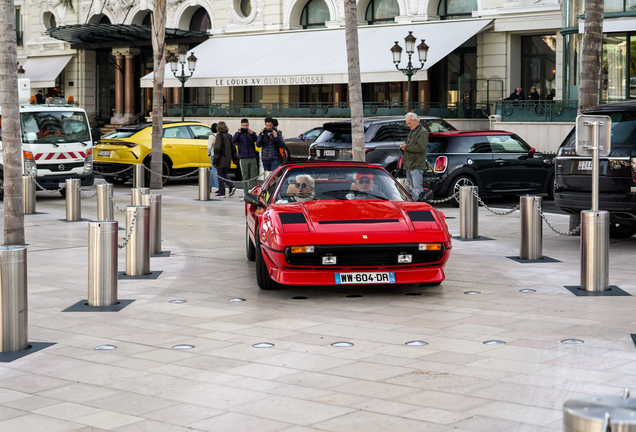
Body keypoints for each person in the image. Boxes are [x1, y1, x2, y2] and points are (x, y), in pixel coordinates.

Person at [399, 112, 428, 201]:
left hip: (416, 164)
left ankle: (417, 204)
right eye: (407, 123)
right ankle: (413, 202)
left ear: (415, 121)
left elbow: (421, 148)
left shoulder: (422, 132)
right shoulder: (412, 131)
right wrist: (404, 147)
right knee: (411, 188)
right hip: (409, 164)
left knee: (417, 188)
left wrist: (406, 147)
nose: (408, 125)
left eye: (409, 123)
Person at [232, 118, 259, 195]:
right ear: (241, 125)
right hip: (243, 157)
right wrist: (238, 132)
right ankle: (245, 193)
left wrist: (252, 133)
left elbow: (257, 140)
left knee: (254, 176)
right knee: (245, 177)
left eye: (246, 125)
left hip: (252, 156)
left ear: (248, 125)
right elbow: (233, 140)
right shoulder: (238, 134)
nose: (245, 127)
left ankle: (254, 193)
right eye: (243, 125)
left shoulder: (251, 133)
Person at [213, 121, 235, 198]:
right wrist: (234, 159)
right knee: (224, 174)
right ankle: (231, 186)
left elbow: (217, 149)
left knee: (220, 175)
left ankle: (222, 192)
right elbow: (233, 148)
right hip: (228, 158)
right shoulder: (229, 136)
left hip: (221, 159)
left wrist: (215, 160)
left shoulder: (219, 136)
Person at [207, 123, 219, 194]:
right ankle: (212, 185)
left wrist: (208, 153)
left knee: (213, 170)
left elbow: (209, 146)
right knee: (215, 170)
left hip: (213, 154)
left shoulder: (211, 136)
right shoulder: (219, 135)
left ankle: (215, 185)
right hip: (219, 155)